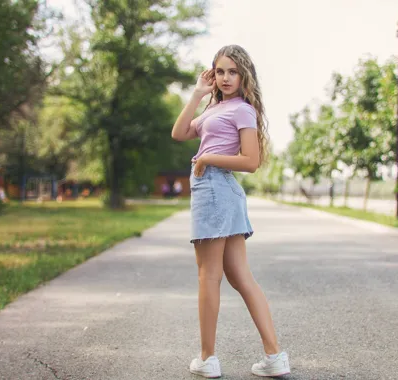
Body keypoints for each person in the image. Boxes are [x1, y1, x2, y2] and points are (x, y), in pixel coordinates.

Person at [171, 45, 290, 378]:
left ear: (244, 76)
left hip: (214, 189)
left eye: (232, 72)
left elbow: (251, 161)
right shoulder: (214, 109)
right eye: (220, 71)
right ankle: (274, 356)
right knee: (240, 276)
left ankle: (207, 359)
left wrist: (206, 158)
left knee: (209, 275)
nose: (225, 78)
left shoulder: (242, 111)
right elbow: (179, 133)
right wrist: (197, 94)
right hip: (218, 192)